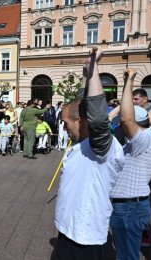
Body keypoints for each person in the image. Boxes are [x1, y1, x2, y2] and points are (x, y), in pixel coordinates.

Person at [54, 49, 124, 260]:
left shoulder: (101, 148)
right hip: (68, 232)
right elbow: (81, 104)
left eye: (65, 124)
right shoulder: (81, 144)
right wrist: (86, 74)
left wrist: (94, 71)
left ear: (81, 122)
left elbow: (96, 115)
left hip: (84, 239)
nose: (64, 128)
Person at [109, 68, 151, 260]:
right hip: (130, 205)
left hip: (129, 207)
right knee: (125, 253)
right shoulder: (146, 137)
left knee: (126, 256)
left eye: (125, 125)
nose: (122, 126)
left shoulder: (142, 140)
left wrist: (129, 81)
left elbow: (125, 117)